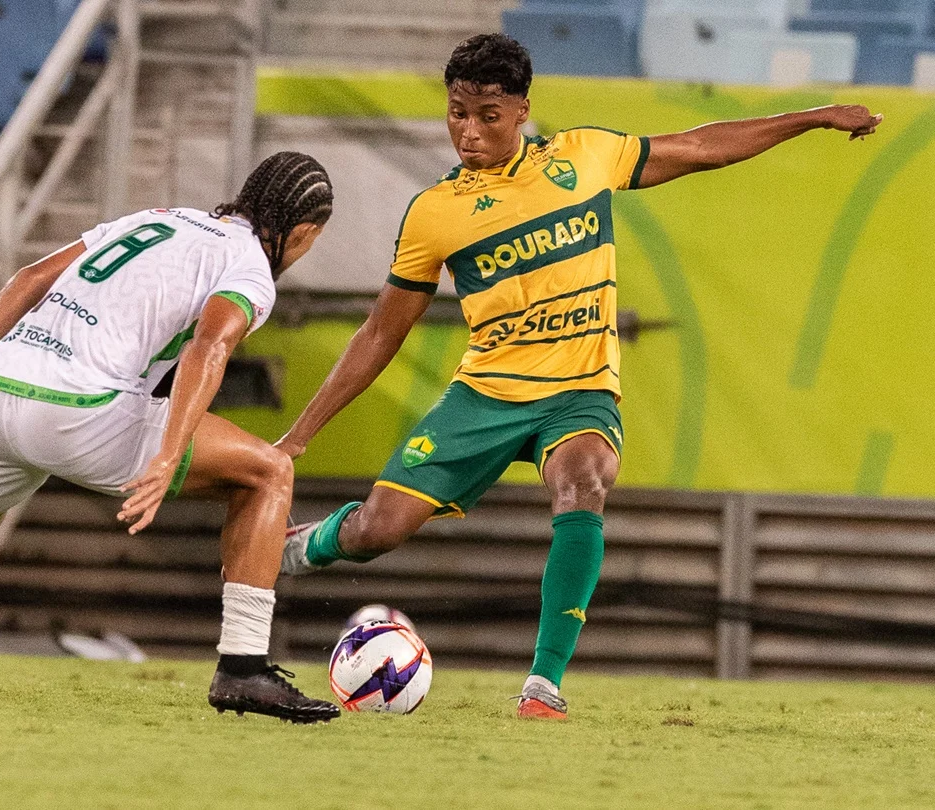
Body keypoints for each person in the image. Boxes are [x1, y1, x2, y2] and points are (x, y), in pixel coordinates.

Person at [276, 35, 882, 720]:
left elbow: (701, 146)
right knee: (377, 531)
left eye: (488, 116)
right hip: (487, 395)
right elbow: (381, 332)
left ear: (522, 110)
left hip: (579, 392)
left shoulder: (585, 157)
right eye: (457, 114)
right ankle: (306, 547)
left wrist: (812, 116)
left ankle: (544, 683)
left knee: (584, 479)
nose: (469, 132)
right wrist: (300, 433)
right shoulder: (434, 212)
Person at [0, 151, 341, 724]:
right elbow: (209, 345)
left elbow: (28, 279)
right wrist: (169, 453)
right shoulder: (248, 265)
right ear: (302, 232)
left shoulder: (156, 218)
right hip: (81, 412)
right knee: (269, 472)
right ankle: (243, 667)